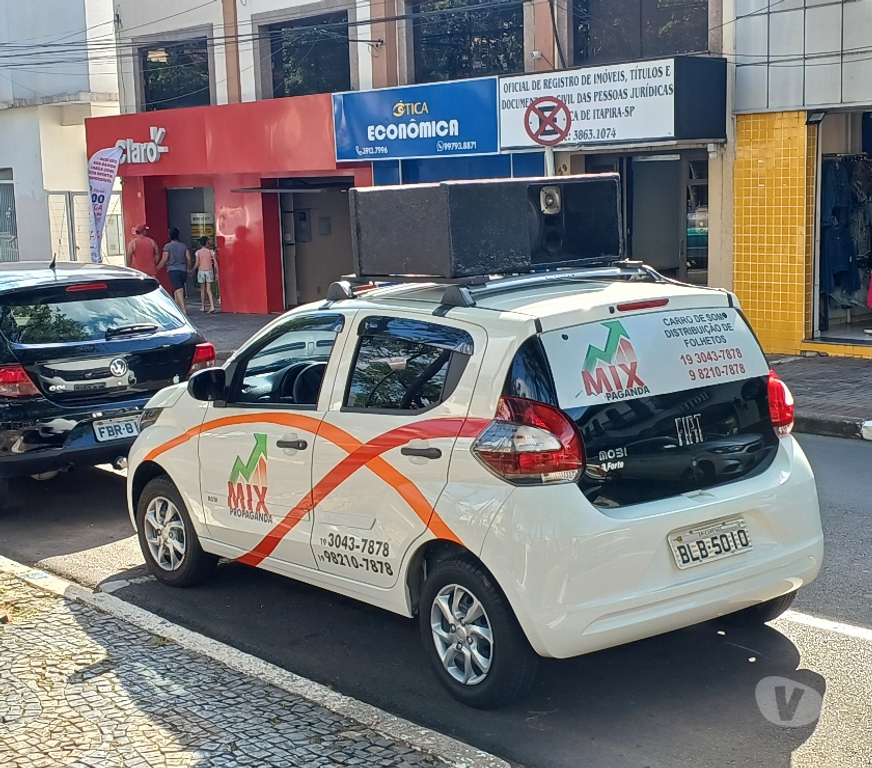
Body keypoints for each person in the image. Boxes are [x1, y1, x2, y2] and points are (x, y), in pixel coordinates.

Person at [159, 228, 192, 315]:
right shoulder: (183, 246)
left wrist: (156, 268)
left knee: (178, 289)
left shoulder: (167, 247)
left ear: (170, 236)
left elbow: (164, 259)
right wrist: (189, 269)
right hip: (183, 270)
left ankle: (183, 309)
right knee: (178, 288)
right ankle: (177, 308)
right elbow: (189, 258)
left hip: (173, 270)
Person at [195, 236, 219, 313]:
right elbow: (215, 263)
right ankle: (212, 306)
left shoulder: (198, 252)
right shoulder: (211, 252)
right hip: (209, 271)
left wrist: (191, 270)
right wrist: (217, 273)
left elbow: (197, 263)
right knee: (209, 289)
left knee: (203, 289)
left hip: (201, 271)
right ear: (207, 242)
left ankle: (203, 306)